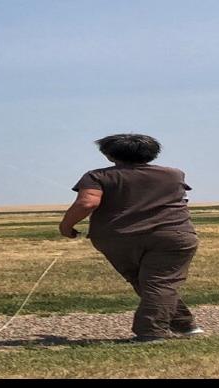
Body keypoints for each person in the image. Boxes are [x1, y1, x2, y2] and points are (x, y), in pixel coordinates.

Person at [59, 133, 203, 343]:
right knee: (158, 283)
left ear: (109, 155)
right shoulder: (174, 174)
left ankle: (151, 332)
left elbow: (87, 203)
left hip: (117, 239)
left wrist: (66, 227)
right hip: (172, 235)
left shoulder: (97, 176)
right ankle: (183, 324)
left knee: (150, 283)